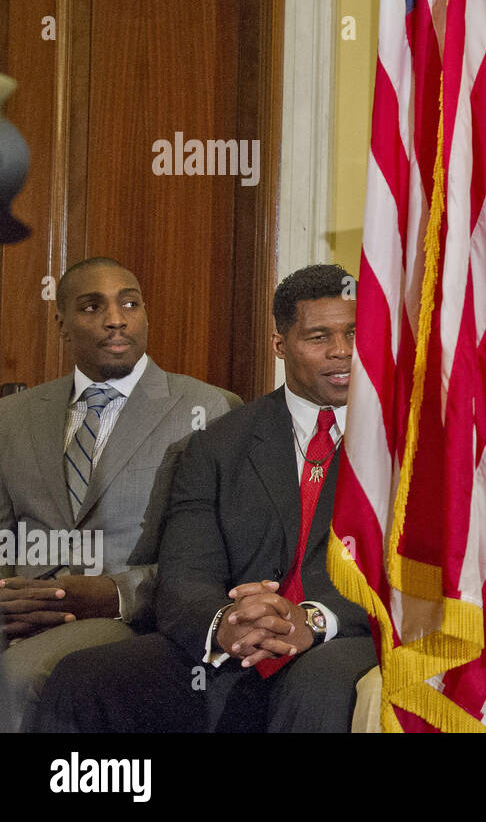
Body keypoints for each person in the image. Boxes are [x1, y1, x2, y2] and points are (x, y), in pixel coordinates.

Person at [36, 264, 375, 732]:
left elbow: (418, 571)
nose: (342, 352)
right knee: (85, 678)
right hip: (238, 639)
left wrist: (313, 619)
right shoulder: (217, 442)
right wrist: (225, 626)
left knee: (316, 685)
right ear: (279, 345)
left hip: (348, 632)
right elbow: (186, 571)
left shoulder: (406, 443)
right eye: (319, 337)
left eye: (354, 334)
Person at [0, 257, 239, 729]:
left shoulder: (207, 409)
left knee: (18, 674)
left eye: (129, 303)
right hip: (19, 612)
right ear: (62, 325)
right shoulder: (12, 415)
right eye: (92, 306)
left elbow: (214, 558)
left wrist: (113, 594)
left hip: (128, 617)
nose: (115, 319)